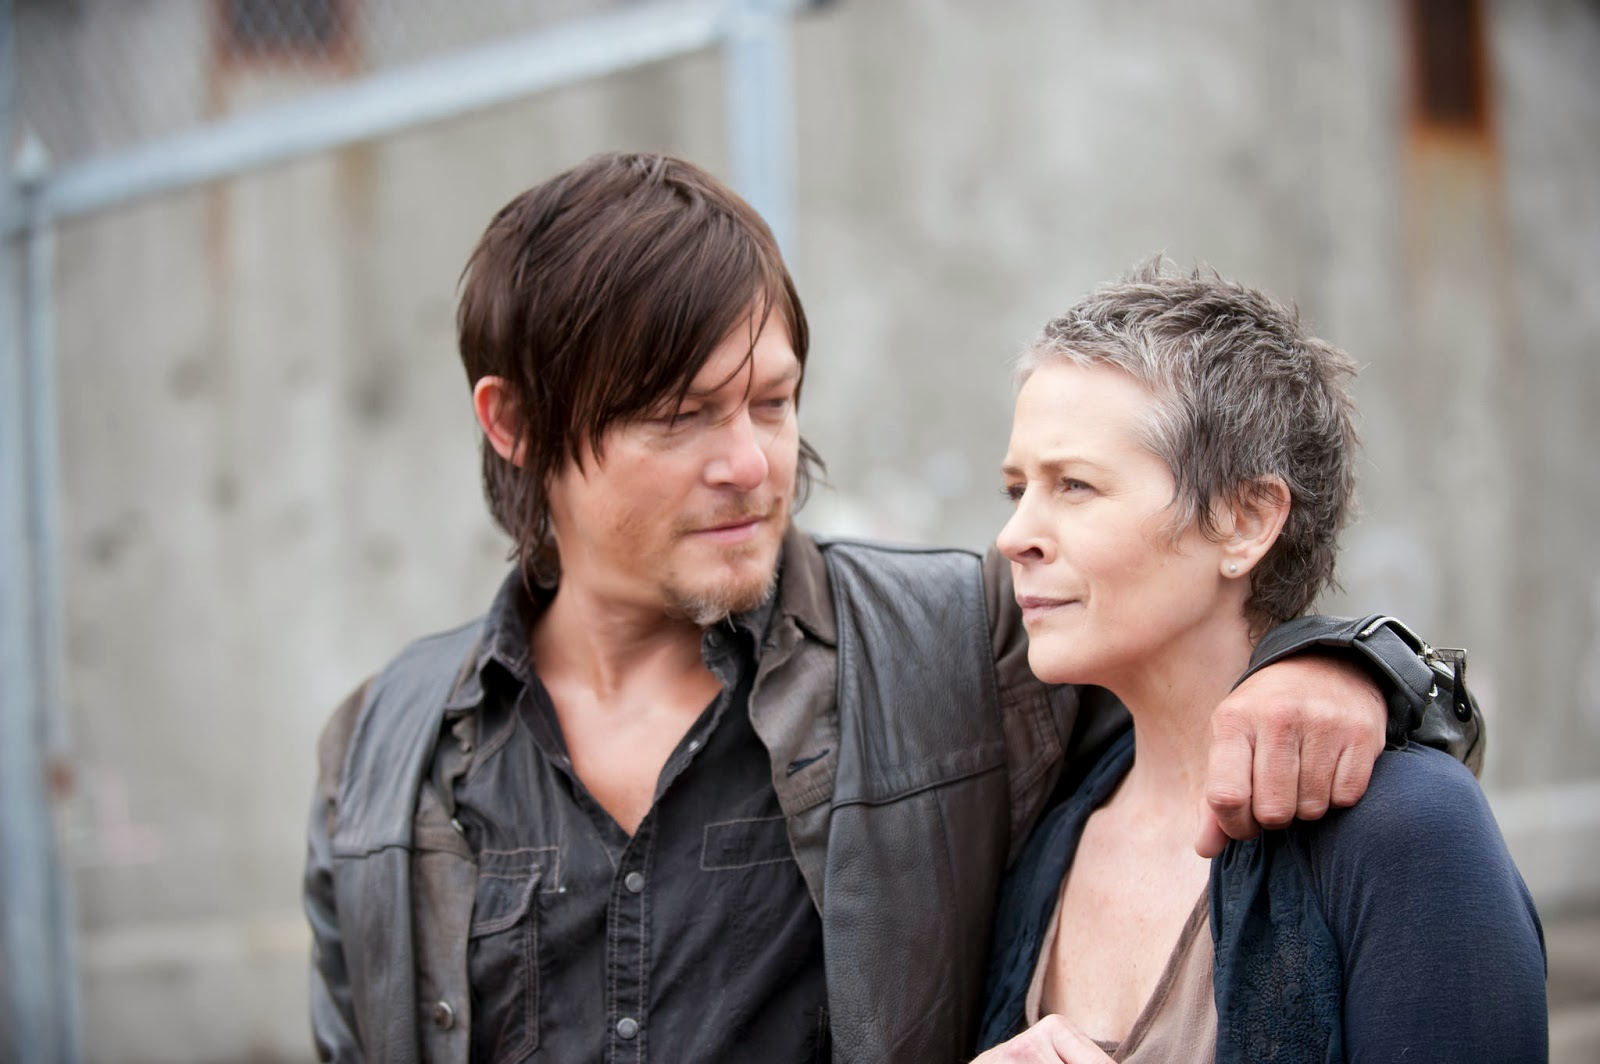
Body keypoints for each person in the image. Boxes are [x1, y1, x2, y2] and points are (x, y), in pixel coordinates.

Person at [302, 153, 1480, 1063]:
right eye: (677, 417)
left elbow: (1199, 655)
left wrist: (1339, 663)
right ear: (511, 423)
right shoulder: (378, 752)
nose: (750, 463)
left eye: (771, 402)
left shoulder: (959, 645)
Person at [975, 264, 1544, 1062]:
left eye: (1074, 485)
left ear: (1245, 521)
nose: (1015, 537)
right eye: (1016, 490)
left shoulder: (1412, 832)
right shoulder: (1047, 824)